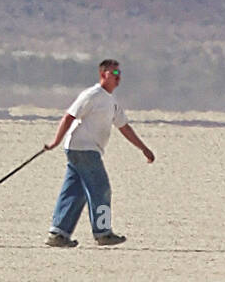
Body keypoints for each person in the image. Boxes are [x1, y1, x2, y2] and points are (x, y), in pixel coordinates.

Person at [43, 58, 154, 247]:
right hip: (83, 149)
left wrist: (144, 148)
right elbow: (69, 116)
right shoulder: (92, 95)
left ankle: (58, 233)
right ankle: (103, 232)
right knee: (101, 189)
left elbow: (124, 127)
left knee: (74, 192)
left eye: (120, 74)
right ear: (103, 74)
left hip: (84, 150)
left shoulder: (111, 102)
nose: (118, 78)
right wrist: (55, 141)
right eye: (114, 73)